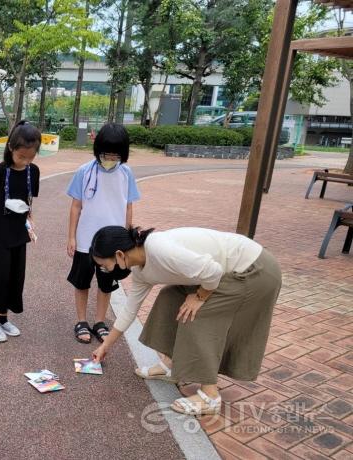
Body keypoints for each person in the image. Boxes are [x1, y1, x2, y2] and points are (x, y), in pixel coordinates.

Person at [90, 226, 281, 416]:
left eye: (104, 265)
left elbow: (212, 272)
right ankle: (171, 364)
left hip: (254, 270)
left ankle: (210, 396)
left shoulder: (159, 249)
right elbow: (130, 310)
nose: (105, 270)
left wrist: (199, 297)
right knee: (170, 297)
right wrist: (105, 346)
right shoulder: (141, 271)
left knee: (196, 314)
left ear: (119, 255)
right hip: (227, 271)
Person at [66, 123, 140, 344]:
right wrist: (71, 236)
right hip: (85, 240)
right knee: (82, 282)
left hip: (113, 243)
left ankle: (99, 322)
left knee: (107, 284)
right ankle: (81, 321)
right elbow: (75, 206)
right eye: (106, 153)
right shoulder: (84, 171)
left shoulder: (126, 173)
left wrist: (127, 238)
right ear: (98, 149)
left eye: (116, 154)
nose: (110, 158)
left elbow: (128, 206)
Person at [0, 121, 41, 342]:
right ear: (11, 148)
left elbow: (29, 201)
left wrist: (30, 222)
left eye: (30, 157)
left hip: (18, 234)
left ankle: (4, 318)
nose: (25, 161)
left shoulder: (33, 171)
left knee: (16, 277)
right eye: (21, 156)